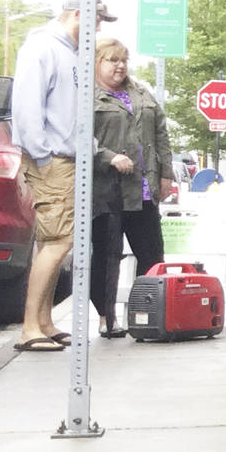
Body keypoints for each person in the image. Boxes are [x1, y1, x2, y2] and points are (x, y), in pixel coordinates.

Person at [10, 0, 114, 351]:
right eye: (97, 20)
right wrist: (41, 156)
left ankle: (44, 321)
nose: (99, 28)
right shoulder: (42, 48)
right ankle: (29, 328)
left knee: (53, 242)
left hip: (67, 159)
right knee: (59, 241)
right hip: (52, 159)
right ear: (78, 15)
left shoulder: (71, 53)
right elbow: (26, 107)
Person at [88, 39, 173, 337]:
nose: (120, 66)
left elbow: (161, 135)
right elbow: (77, 139)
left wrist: (166, 175)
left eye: (123, 60)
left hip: (144, 190)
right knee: (108, 257)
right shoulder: (87, 97)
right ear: (97, 62)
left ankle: (146, 315)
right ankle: (106, 318)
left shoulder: (140, 92)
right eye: (112, 60)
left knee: (152, 256)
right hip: (107, 192)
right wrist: (108, 157)